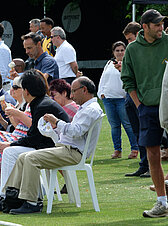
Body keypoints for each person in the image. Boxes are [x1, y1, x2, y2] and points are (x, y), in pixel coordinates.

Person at [0, 70, 70, 208]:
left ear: (27, 91)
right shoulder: (40, 103)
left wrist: (10, 144)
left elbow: (33, 137)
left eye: (20, 89)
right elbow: (34, 136)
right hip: (50, 145)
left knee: (9, 151)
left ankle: (1, 195)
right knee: (6, 150)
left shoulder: (42, 105)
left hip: (56, 149)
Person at [0, 76, 103, 214]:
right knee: (23, 157)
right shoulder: (87, 108)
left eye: (73, 91)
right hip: (67, 149)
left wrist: (57, 122)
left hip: (73, 152)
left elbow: (76, 131)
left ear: (84, 90)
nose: (71, 95)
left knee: (30, 158)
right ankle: (10, 198)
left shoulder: (91, 110)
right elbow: (74, 131)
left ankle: (32, 202)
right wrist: (55, 127)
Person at [121, 9, 168, 218]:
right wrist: (139, 105)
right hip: (147, 108)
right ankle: (162, 202)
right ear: (145, 27)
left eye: (162, 24)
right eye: (157, 24)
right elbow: (127, 80)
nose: (161, 28)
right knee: (152, 155)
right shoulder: (132, 49)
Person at [98, 41, 139, 159]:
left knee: (128, 124)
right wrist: (101, 93)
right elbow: (103, 79)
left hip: (122, 99)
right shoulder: (109, 63)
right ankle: (117, 150)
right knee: (114, 126)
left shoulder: (128, 63)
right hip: (108, 99)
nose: (120, 52)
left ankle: (134, 148)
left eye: (122, 50)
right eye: (117, 50)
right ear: (113, 52)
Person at [121, 21, 150, 177]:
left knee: (147, 133)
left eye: (130, 39)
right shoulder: (132, 52)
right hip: (130, 97)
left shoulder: (145, 52)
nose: (128, 43)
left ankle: (150, 167)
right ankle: (143, 165)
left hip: (140, 98)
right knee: (138, 133)